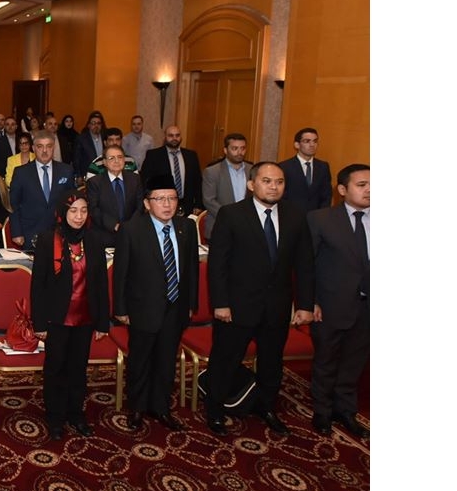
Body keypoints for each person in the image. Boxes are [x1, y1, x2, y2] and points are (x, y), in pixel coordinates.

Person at [205, 161, 314, 436]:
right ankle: (215, 409)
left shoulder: (296, 215)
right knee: (226, 359)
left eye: (279, 182)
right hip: (236, 306)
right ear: (252, 184)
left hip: (277, 306)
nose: (273, 187)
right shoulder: (231, 214)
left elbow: (304, 264)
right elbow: (218, 264)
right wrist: (220, 303)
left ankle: (266, 407)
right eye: (267, 181)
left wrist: (304, 304)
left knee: (271, 362)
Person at [112, 175, 199, 431]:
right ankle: (137, 408)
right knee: (140, 360)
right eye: (160, 199)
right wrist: (120, 308)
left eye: (172, 198)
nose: (167, 204)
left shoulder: (186, 227)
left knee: (166, 360)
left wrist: (191, 303)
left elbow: (192, 269)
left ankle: (160, 407)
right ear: (147, 203)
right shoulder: (132, 230)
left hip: (176, 306)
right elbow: (121, 273)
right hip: (143, 307)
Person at [30, 190, 109, 440]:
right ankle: (55, 417)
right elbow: (38, 285)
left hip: (85, 317)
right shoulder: (48, 240)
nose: (78, 216)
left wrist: (103, 322)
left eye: (83, 211)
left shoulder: (94, 240)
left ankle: (76, 414)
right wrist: (39, 322)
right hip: (57, 318)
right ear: (63, 213)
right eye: (73, 211)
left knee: (78, 369)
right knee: (56, 369)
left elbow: (101, 283)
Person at [307, 164, 370, 439]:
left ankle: (346, 411)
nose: (369, 190)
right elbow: (306, 265)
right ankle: (322, 411)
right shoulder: (321, 219)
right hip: (330, 304)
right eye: (362, 185)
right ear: (342, 189)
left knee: (355, 361)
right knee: (326, 360)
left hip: (368, 306)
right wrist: (310, 301)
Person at [8, 130, 76, 251]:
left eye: (49, 146)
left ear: (53, 148)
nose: (44, 150)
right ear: (33, 148)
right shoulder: (21, 172)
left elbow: (72, 202)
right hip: (30, 233)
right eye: (40, 146)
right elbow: (13, 204)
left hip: (60, 233)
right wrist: (17, 232)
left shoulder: (66, 171)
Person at [84, 145, 143, 250]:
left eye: (120, 157)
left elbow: (140, 205)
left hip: (132, 233)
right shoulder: (94, 182)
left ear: (124, 160)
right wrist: (114, 225)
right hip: (105, 233)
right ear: (105, 162)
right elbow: (93, 209)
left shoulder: (135, 179)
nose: (116, 161)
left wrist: (130, 226)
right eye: (111, 158)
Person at [140, 125, 204, 216]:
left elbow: (197, 181)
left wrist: (198, 204)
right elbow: (145, 181)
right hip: (163, 204)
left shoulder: (191, 155)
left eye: (177, 135)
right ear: (165, 137)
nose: (174, 138)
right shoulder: (153, 155)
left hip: (187, 205)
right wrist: (148, 203)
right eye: (171, 135)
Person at [201, 133, 253, 240]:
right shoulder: (212, 171)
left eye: (242, 148)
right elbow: (209, 201)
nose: (239, 152)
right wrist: (231, 217)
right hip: (220, 226)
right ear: (225, 150)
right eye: (234, 148)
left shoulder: (252, 170)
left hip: (248, 228)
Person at [279, 127, 332, 212]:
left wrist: (322, 215)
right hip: (291, 215)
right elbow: (282, 195)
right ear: (297, 145)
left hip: (316, 216)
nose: (312, 145)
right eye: (307, 141)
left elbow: (326, 195)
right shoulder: (284, 167)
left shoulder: (323, 167)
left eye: (315, 141)